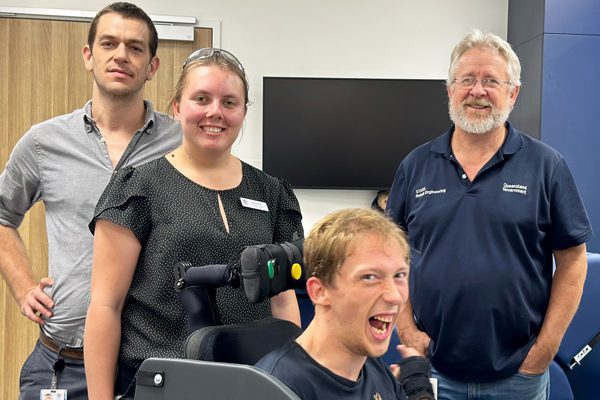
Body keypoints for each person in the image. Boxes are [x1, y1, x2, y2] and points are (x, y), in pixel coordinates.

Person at [84, 47, 304, 399]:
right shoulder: (139, 186)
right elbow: (105, 306)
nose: (215, 112)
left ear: (244, 111)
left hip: (250, 383)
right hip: (162, 383)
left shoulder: (271, 192)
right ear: (177, 106)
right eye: (201, 98)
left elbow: (283, 302)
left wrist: (290, 380)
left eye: (229, 102)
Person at [387, 28, 593, 399]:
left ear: (512, 93)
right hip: (435, 368)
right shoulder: (416, 165)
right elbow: (390, 257)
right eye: (467, 79)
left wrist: (546, 348)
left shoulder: (546, 166)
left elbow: (573, 261)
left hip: (520, 373)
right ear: (450, 89)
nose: (477, 91)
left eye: (490, 81)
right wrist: (406, 328)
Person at [0, 2, 180, 399]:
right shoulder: (45, 143)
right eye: (109, 43)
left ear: (152, 67)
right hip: (65, 363)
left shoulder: (181, 144)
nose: (121, 55)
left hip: (153, 367)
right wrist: (21, 285)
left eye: (135, 48)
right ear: (88, 56)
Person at [256, 208, 434, 400]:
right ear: (320, 291)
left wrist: (418, 389)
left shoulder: (372, 366)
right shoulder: (278, 387)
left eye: (399, 275)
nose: (395, 296)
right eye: (369, 277)